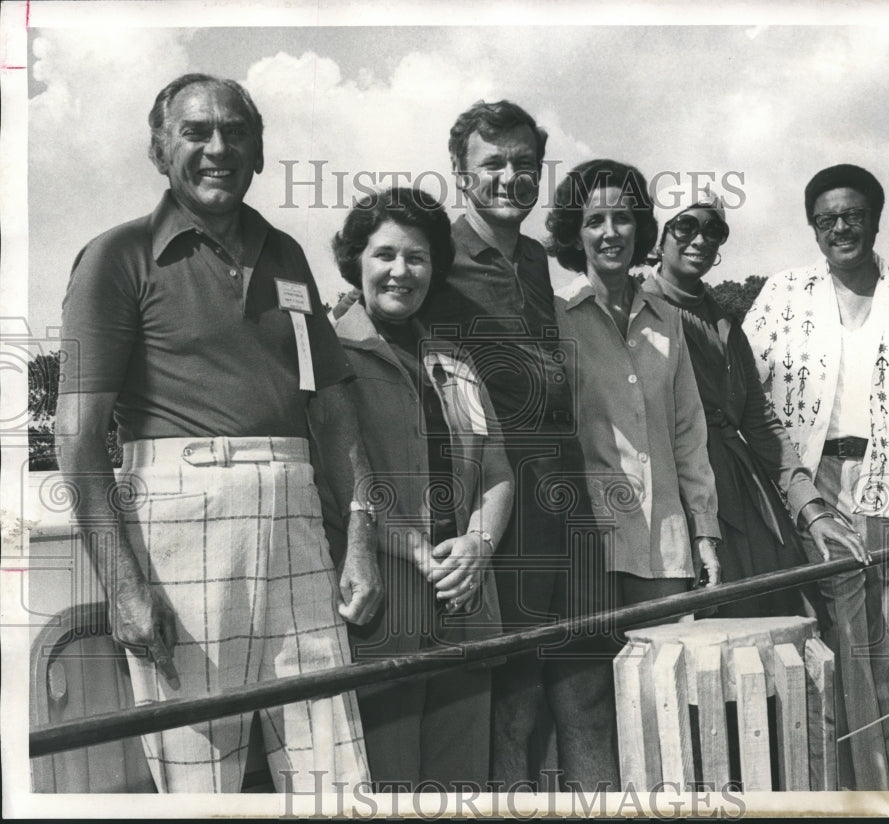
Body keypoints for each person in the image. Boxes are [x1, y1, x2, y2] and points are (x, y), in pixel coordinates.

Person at [55, 73, 380, 793]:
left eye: (235, 132)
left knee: (335, 769)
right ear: (158, 149)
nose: (217, 148)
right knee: (200, 779)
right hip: (182, 530)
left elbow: (331, 406)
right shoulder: (116, 257)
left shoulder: (289, 255)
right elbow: (75, 438)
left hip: (297, 522)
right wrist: (123, 587)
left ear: (259, 150)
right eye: (195, 132)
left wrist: (358, 535)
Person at [744, 164, 889, 790]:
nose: (840, 228)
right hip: (808, 483)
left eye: (852, 215)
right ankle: (838, 786)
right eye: (826, 220)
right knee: (833, 637)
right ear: (812, 228)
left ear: (875, 217)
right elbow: (745, 396)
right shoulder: (782, 294)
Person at [420, 100, 618, 790]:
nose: (510, 177)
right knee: (514, 707)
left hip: (569, 504)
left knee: (590, 692)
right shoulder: (433, 257)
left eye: (525, 165)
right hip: (495, 511)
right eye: (493, 163)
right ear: (461, 173)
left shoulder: (536, 259)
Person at [325, 187, 513, 790]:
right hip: (382, 606)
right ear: (356, 261)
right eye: (384, 255)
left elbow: (499, 472)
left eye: (418, 257)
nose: (401, 272)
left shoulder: (456, 362)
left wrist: (479, 543)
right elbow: (334, 485)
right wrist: (419, 553)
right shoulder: (327, 355)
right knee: (390, 783)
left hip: (465, 598)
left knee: (462, 783)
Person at [644, 188, 866, 617]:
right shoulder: (637, 312)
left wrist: (810, 508)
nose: (701, 239)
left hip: (741, 488)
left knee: (782, 617)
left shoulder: (725, 320)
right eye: (686, 225)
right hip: (672, 493)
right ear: (658, 237)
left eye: (714, 230)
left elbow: (761, 423)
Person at [549, 160, 722, 608]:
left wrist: (704, 533)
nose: (611, 232)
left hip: (665, 548)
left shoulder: (669, 323)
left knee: (664, 674)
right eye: (594, 221)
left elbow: (688, 436)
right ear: (575, 233)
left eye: (622, 217)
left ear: (640, 227)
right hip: (587, 548)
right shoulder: (553, 318)